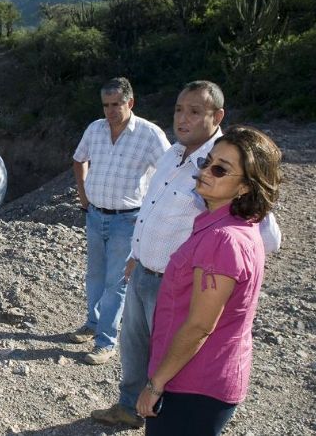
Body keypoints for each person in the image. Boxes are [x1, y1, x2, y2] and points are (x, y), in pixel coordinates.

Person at [90, 80, 281, 428]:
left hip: (179, 288)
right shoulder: (173, 153)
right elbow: (151, 206)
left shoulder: (233, 166)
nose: (183, 118)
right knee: (135, 350)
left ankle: (156, 408)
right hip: (143, 270)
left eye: (195, 111)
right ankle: (130, 408)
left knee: (170, 359)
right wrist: (137, 253)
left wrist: (211, 276)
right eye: (179, 109)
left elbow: (264, 237)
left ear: (217, 115)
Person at [135, 125, 281, 435]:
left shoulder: (223, 240)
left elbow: (200, 325)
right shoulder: (233, 226)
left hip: (193, 384)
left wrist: (156, 383)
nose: (206, 171)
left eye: (220, 169)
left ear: (245, 187)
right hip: (203, 379)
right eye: (207, 162)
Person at [68, 77, 170, 365]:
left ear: (130, 102)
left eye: (116, 104)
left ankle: (105, 342)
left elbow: (169, 172)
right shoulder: (95, 129)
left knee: (117, 281)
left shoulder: (149, 135)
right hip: (95, 214)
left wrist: (153, 212)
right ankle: (92, 323)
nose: (111, 110)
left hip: (128, 220)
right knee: (95, 275)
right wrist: (83, 195)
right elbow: (79, 159)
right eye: (106, 105)